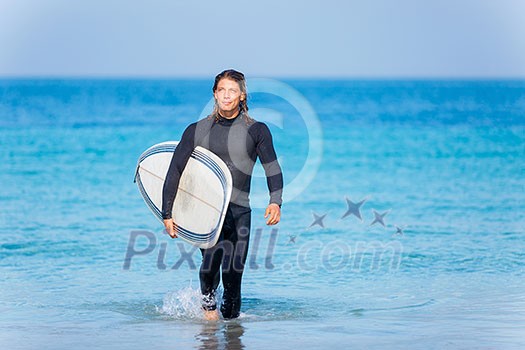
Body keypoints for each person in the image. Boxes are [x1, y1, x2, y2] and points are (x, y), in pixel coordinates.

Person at [162, 69, 283, 320]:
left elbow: (271, 167)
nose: (227, 95)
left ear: (241, 96)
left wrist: (275, 201)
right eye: (222, 90)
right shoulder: (198, 130)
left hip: (239, 213)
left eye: (233, 90)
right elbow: (175, 169)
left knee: (233, 274)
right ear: (215, 94)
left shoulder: (257, 130)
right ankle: (209, 318)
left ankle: (233, 331)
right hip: (206, 213)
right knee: (209, 268)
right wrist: (167, 213)